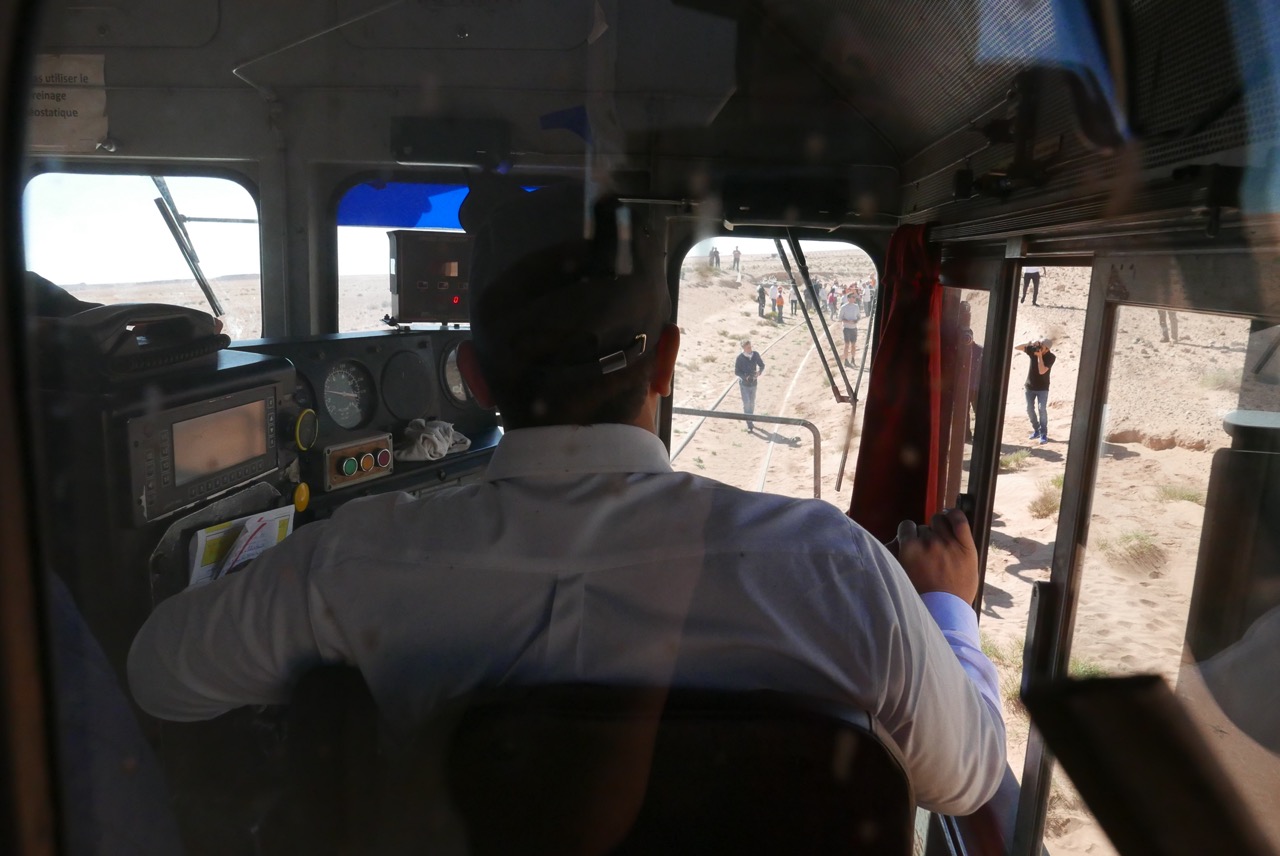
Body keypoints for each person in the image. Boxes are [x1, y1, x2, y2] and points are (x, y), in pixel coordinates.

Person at [128, 181, 1005, 815]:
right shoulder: (834, 568)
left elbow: (158, 675)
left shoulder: (360, 560)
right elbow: (967, 779)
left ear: (471, 377)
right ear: (665, 360)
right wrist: (944, 606)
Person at [1015, 337, 1055, 444]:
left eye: (1042, 347)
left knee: (1042, 409)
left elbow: (1042, 371)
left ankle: (1043, 434)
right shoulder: (1033, 350)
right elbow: (1016, 347)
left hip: (1043, 388)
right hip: (1030, 386)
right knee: (1029, 409)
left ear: (1047, 349)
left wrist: (1040, 357)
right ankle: (1036, 430)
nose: (1040, 348)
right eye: (1040, 345)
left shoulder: (1051, 357)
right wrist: (1030, 343)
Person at [735, 339, 765, 432]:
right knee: (746, 403)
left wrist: (759, 372)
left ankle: (750, 419)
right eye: (748, 347)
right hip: (744, 385)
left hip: (754, 383)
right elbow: (737, 371)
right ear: (743, 348)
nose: (750, 349)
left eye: (750, 347)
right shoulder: (739, 358)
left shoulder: (755, 355)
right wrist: (745, 377)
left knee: (752, 403)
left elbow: (762, 365)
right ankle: (749, 424)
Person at [839, 291, 862, 367]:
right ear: (848, 298)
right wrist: (848, 321)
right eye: (853, 297)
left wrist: (856, 320)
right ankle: (846, 360)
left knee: (853, 345)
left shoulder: (856, 306)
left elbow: (859, 316)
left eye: (855, 297)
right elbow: (840, 318)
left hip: (854, 328)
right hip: (846, 328)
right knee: (846, 345)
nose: (854, 298)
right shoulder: (843, 307)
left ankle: (853, 359)